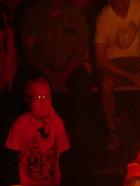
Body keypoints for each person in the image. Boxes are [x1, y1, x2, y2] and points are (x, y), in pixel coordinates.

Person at [94, 0, 140, 149]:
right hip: (112, 63)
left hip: (135, 61)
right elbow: (100, 59)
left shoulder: (138, 5)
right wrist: (130, 77)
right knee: (106, 84)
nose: (124, 4)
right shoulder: (104, 17)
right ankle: (113, 131)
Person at [21, 0, 90, 134]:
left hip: (69, 67)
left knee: (81, 86)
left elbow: (80, 51)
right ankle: (38, 132)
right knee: (34, 88)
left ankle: (68, 132)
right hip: (40, 67)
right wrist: (49, 73)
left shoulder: (76, 15)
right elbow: (28, 51)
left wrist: (63, 74)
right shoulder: (33, 13)